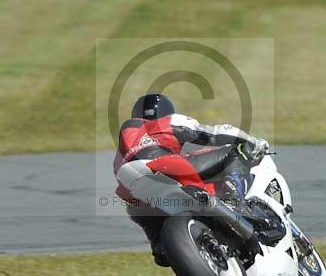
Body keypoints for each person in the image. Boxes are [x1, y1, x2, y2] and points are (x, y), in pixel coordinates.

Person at [113, 93, 268, 266]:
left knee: (137, 206)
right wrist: (253, 142)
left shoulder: (123, 144)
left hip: (133, 187)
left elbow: (121, 180)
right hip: (164, 166)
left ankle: (160, 244)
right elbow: (216, 133)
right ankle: (235, 200)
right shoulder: (166, 121)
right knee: (236, 150)